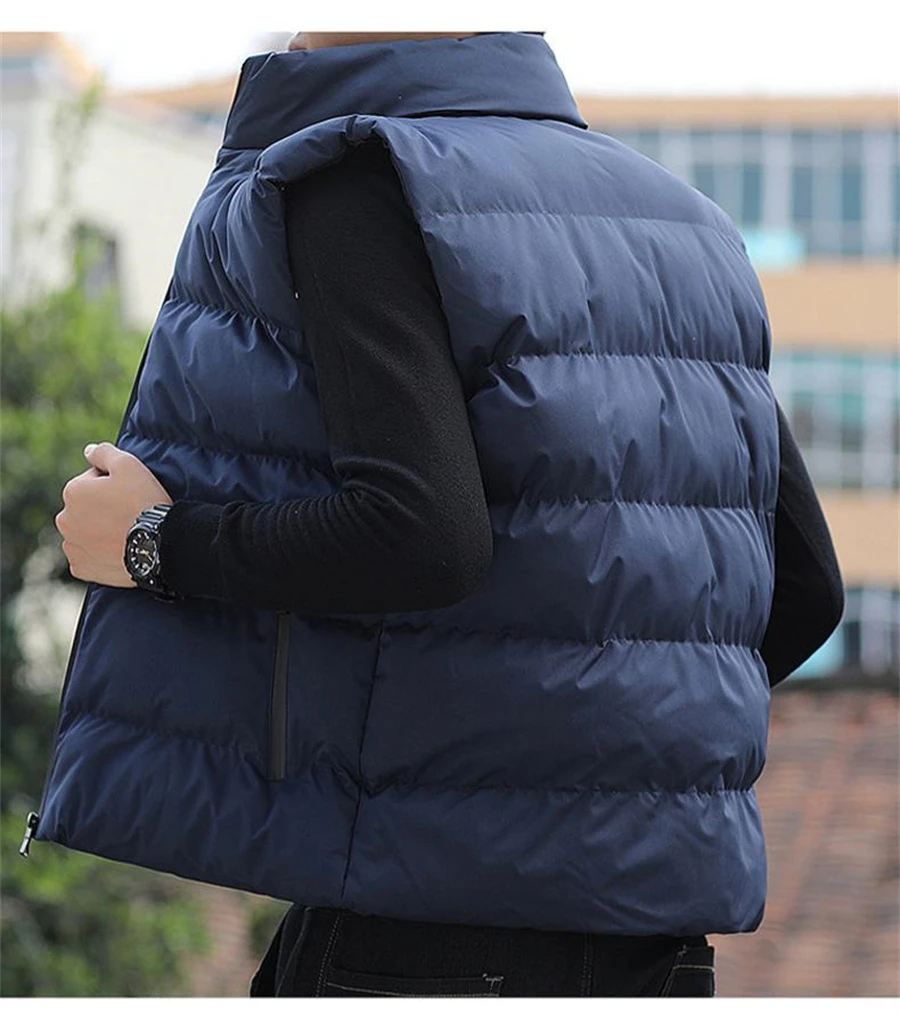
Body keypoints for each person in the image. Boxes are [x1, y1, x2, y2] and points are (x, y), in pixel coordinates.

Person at [36, 31, 842, 998]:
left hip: (422, 931)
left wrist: (154, 541)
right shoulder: (690, 225)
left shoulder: (363, 175)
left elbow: (421, 534)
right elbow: (805, 591)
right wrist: (592, 751)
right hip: (659, 945)